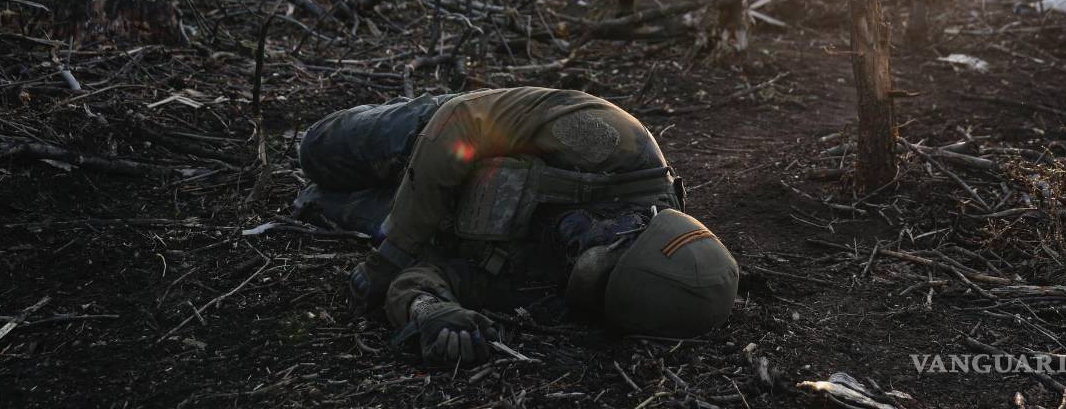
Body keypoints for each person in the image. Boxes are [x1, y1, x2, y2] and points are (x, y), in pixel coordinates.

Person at [295, 88, 738, 365]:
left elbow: (431, 277)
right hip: (437, 137)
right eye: (604, 244)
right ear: (641, 222)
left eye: (588, 277)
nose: (573, 249)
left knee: (313, 201)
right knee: (315, 149)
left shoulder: (564, 292)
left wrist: (430, 313)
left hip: (435, 219)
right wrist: (393, 251)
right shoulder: (615, 143)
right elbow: (465, 120)